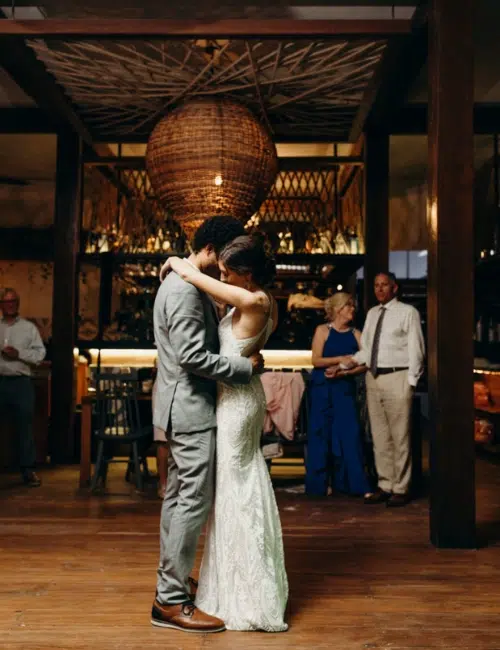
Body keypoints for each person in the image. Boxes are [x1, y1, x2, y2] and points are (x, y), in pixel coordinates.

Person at [157, 234, 288, 632]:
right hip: (221, 400)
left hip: (235, 403)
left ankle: (224, 587)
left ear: (247, 274)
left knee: (227, 490)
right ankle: (186, 588)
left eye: (229, 272)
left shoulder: (255, 300)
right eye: (221, 269)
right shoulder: (236, 297)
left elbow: (203, 285)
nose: (222, 276)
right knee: (215, 494)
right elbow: (201, 349)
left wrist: (179, 264)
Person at [341, 272, 425, 507]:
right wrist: (346, 363)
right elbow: (367, 350)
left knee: (400, 436)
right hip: (374, 377)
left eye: (384, 285)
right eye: (376, 285)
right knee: (379, 436)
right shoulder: (372, 314)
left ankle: (401, 487)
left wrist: (411, 382)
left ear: (394, 288)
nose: (379, 289)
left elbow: (417, 349)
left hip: (398, 376)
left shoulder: (408, 312)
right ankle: (385, 484)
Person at [306, 293, 371, 497]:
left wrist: (345, 372)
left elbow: (366, 362)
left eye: (352, 305)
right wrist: (340, 359)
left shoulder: (356, 334)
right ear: (337, 309)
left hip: (344, 388)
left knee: (350, 434)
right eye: (348, 306)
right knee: (320, 434)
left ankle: (354, 485)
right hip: (322, 388)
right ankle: (318, 486)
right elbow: (316, 360)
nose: (353, 309)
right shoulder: (322, 331)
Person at [0, 288, 46, 487]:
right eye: (6, 301)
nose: (9, 305)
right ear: (1, 305)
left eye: (13, 301)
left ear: (17, 304)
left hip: (21, 383)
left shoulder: (29, 328)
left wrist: (18, 354)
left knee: (25, 428)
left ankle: (28, 471)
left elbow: (39, 355)